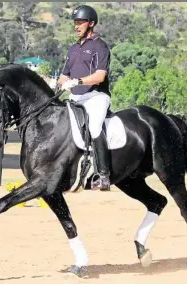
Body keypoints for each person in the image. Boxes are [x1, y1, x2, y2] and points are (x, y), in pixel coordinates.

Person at [57, 5, 111, 190]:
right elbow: (64, 75)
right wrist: (58, 83)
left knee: (95, 127)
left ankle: (104, 175)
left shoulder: (100, 46)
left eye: (80, 22)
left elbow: (99, 76)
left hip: (96, 96)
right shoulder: (73, 48)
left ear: (91, 24)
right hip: (75, 97)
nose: (77, 26)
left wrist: (77, 81)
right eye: (75, 23)